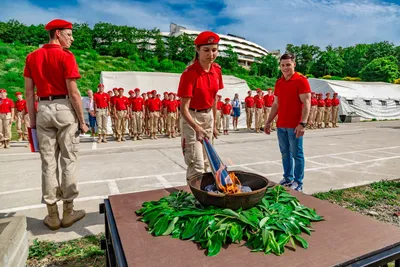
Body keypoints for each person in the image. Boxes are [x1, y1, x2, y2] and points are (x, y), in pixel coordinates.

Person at [24, 19, 88, 230]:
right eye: (69, 34)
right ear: (58, 33)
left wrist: (32, 121)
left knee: (48, 163)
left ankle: (52, 215)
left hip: (42, 108)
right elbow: (74, 92)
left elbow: (28, 92)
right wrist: (82, 120)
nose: (72, 38)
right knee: (69, 159)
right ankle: (68, 212)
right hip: (63, 108)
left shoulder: (32, 57)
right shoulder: (65, 56)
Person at [177, 31, 223, 180]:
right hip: (192, 118)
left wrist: (214, 123)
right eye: (206, 50)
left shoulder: (217, 70)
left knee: (206, 160)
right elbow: (183, 109)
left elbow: (214, 99)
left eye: (214, 50)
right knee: (196, 163)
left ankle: (203, 196)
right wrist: (197, 128)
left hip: (208, 116)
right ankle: (193, 198)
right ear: (197, 50)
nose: (211, 54)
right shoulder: (190, 74)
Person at [265, 53, 311, 192]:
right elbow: (275, 105)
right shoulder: (279, 82)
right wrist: (268, 122)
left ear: (294, 65)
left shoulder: (301, 80)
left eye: (288, 65)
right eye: (283, 65)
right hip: (281, 125)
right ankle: (287, 178)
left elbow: (306, 103)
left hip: (294, 126)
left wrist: (302, 123)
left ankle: (298, 181)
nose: (285, 68)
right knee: (285, 153)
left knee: (297, 154)